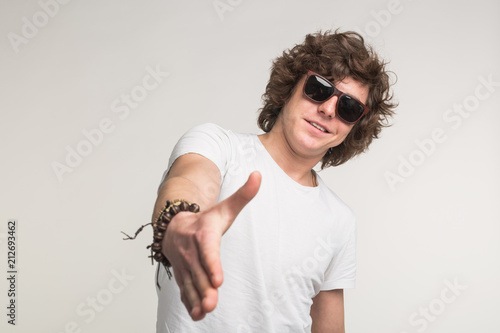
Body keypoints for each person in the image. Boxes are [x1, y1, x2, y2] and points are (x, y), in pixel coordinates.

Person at [152, 29, 396, 332]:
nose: (328, 109)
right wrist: (179, 222)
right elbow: (190, 180)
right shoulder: (217, 145)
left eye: (349, 107)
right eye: (319, 89)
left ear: (355, 125)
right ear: (290, 87)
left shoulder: (340, 220)